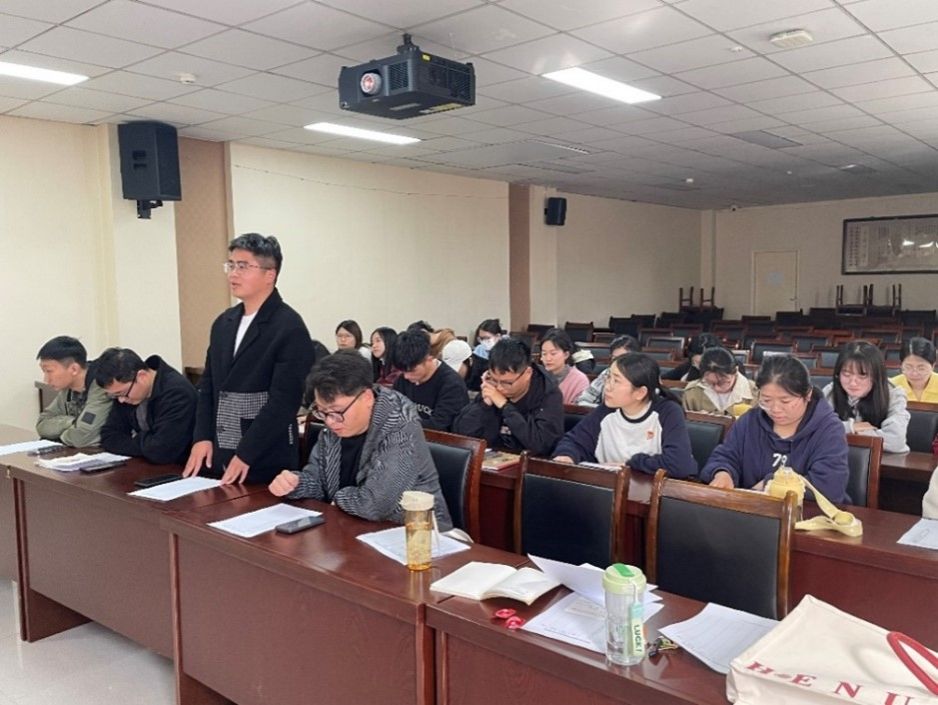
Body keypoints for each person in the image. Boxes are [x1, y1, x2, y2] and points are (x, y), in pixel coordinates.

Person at [268, 350, 453, 530]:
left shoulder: (401, 425)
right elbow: (318, 482)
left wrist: (337, 498)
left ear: (366, 397)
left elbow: (375, 505)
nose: (330, 422)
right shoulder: (335, 423)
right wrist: (296, 483)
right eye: (322, 412)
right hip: (351, 527)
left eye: (336, 411)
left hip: (416, 535)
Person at [184, 233, 314, 484]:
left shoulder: (289, 326)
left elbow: (283, 402)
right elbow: (208, 386)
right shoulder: (223, 322)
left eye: (243, 266)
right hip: (221, 450)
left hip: (264, 456)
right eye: (231, 265)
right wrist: (202, 436)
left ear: (269, 274)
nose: (233, 274)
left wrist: (246, 453)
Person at [700, 355, 850, 503]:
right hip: (751, 511)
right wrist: (723, 473)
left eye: (785, 401)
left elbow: (830, 486)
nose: (775, 409)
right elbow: (725, 456)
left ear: (808, 394)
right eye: (766, 400)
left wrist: (770, 484)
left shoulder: (829, 429)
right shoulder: (750, 422)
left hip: (808, 513)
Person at [553, 353, 697, 477]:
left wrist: (631, 464)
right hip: (609, 490)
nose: (607, 387)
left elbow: (679, 464)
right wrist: (566, 456)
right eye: (608, 378)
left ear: (640, 392)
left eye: (616, 381)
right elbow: (574, 441)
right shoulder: (607, 411)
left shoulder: (668, 412)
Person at [453, 338, 564, 456]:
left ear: (528, 373)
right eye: (495, 380)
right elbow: (461, 434)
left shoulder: (548, 393)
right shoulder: (492, 387)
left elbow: (540, 445)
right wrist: (484, 405)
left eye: (507, 383)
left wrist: (505, 406)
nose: (500, 388)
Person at [95, 347, 197, 465]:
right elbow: (108, 436)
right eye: (114, 396)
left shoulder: (178, 394)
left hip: (182, 468)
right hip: (147, 465)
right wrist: (147, 443)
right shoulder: (127, 392)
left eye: (122, 394)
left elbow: (162, 450)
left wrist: (136, 441)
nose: (121, 400)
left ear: (142, 376)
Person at [823, 341, 910, 454]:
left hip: (882, 461)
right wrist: (851, 427)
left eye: (862, 375)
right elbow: (813, 429)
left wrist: (840, 431)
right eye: (846, 374)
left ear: (876, 375)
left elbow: (895, 441)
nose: (853, 383)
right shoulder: (830, 392)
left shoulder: (894, 394)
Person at [35, 336, 112, 447]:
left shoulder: (102, 385)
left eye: (49, 371)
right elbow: (42, 425)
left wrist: (59, 436)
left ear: (74, 369)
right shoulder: (68, 389)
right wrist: (71, 422)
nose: (46, 380)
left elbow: (81, 438)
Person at [391, 330, 469, 431]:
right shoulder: (402, 381)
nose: (406, 376)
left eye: (412, 370)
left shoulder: (452, 385)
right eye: (403, 371)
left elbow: (439, 426)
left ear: (429, 358)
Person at [682, 347, 758, 416]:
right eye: (710, 383)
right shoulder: (692, 393)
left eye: (722, 383)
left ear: (735, 371)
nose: (716, 388)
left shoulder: (756, 394)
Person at [577, 335, 641, 406]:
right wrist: (603, 410)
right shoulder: (606, 373)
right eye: (615, 358)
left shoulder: (643, 376)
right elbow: (583, 399)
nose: (618, 362)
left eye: (623, 358)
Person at [539, 328, 590, 404]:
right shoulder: (536, 376)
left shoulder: (579, 380)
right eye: (544, 354)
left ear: (566, 354)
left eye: (553, 354)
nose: (548, 358)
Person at [893, 337, 938, 403]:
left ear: (933, 366)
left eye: (921, 368)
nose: (914, 373)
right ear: (901, 365)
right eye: (908, 367)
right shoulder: (891, 386)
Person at [467, 318, 503, 392]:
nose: (484, 342)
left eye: (487, 338)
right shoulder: (479, 350)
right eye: (481, 339)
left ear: (498, 336)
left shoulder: (507, 352)